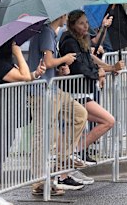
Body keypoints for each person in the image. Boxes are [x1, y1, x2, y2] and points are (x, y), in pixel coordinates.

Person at [0, 36, 47, 205]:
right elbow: (22, 75)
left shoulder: (2, 62)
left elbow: (22, 75)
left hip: (5, 111)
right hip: (0, 111)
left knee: (2, 149)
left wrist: (35, 74)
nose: (15, 45)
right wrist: (18, 53)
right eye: (11, 43)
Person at [27, 14, 88, 195]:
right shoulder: (45, 31)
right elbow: (48, 61)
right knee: (43, 135)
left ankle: (62, 160)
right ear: (60, 15)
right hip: (42, 92)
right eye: (65, 15)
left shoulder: (51, 33)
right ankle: (38, 182)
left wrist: (60, 70)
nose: (67, 18)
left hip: (53, 89)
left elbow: (48, 65)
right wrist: (64, 59)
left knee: (79, 115)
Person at [59, 10, 125, 165]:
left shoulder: (80, 39)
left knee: (75, 130)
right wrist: (104, 71)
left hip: (81, 92)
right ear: (72, 25)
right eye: (81, 23)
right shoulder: (69, 40)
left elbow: (90, 58)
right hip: (74, 93)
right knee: (107, 120)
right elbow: (81, 67)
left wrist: (109, 67)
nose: (85, 26)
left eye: (86, 22)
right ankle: (76, 152)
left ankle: (70, 163)